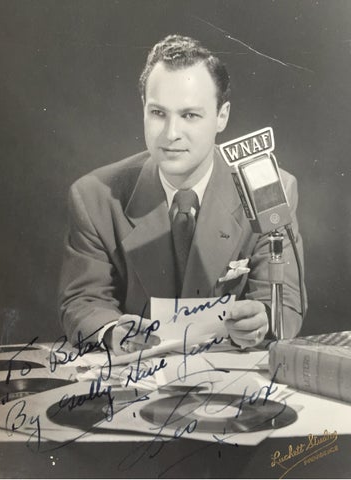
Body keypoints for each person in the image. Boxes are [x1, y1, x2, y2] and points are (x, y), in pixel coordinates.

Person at [58, 35, 306, 356]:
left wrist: (264, 320)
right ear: (143, 111)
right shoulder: (94, 197)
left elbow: (285, 300)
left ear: (222, 116)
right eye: (158, 113)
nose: (171, 133)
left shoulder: (271, 189)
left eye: (190, 115)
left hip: (232, 374)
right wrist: (111, 331)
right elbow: (82, 300)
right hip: (137, 376)